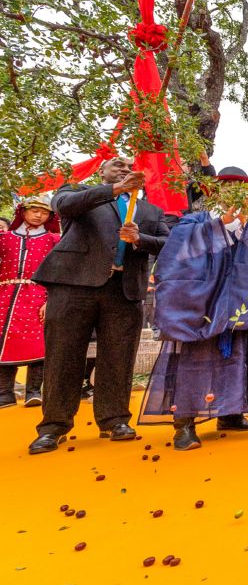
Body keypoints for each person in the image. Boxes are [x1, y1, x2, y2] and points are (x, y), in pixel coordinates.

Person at [29, 158, 170, 454]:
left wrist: (140, 238)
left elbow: (168, 244)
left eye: (130, 166)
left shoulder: (150, 211)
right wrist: (115, 189)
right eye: (118, 164)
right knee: (63, 354)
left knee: (119, 357)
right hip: (73, 284)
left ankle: (114, 420)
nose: (125, 168)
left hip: (124, 290)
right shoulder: (78, 193)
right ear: (101, 171)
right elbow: (64, 206)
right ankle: (54, 426)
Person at [140, 166, 248, 450]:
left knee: (237, 358)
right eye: (227, 188)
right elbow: (178, 253)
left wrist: (247, 228)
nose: (235, 194)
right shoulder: (194, 221)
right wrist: (220, 224)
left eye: (241, 190)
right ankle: (184, 425)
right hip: (201, 305)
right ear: (214, 193)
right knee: (194, 363)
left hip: (239, 303)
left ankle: (231, 413)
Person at [0, 196, 59, 408]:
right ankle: (4, 393)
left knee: (38, 344)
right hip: (5, 297)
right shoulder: (4, 238)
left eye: (44, 212)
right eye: (34, 210)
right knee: (3, 343)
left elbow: (58, 273)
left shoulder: (54, 241)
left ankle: (33, 391)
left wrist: (51, 300)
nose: (38, 215)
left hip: (39, 296)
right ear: (23, 212)